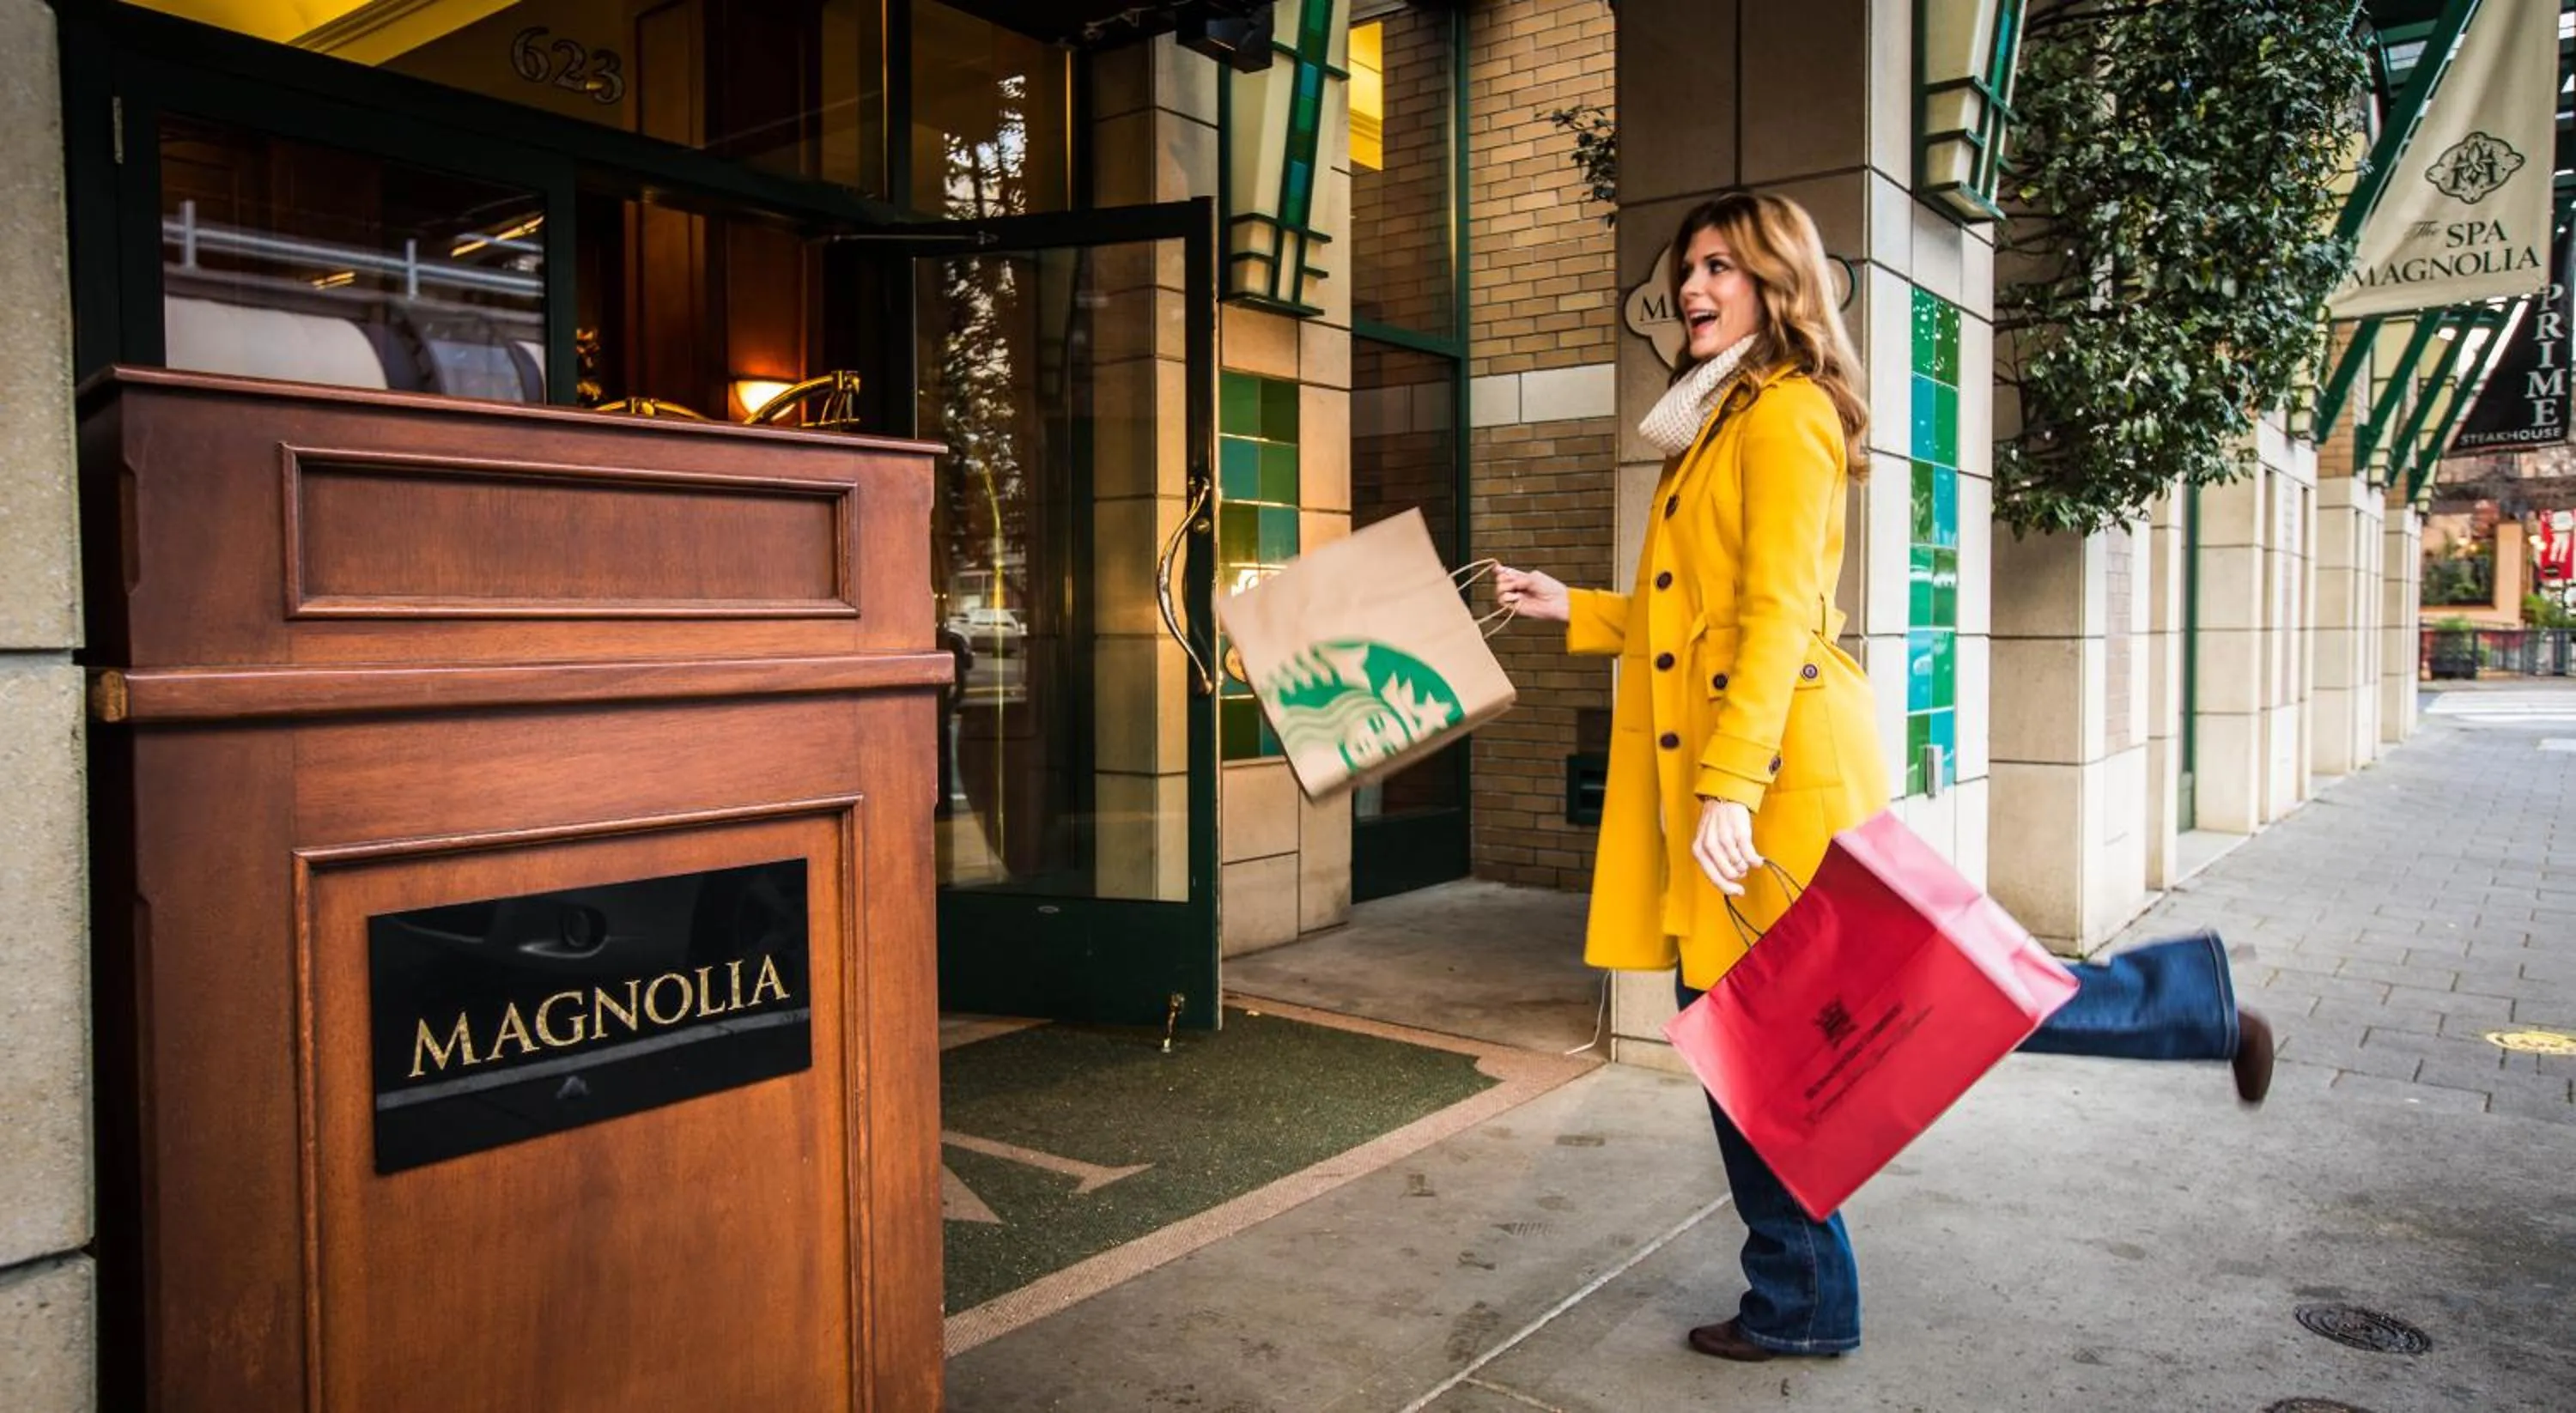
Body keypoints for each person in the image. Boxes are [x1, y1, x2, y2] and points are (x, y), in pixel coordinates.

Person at [1491, 191, 2275, 1364]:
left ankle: (1809, 1290)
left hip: (1769, 769)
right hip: (1755, 762)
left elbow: (1772, 618)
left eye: (1720, 267)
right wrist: (1576, 609)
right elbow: (1688, 612)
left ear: (1777, 282)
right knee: (1792, 1018)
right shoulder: (1722, 415)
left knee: (1869, 999)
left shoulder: (1786, 412)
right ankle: (1806, 1291)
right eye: (1685, 269)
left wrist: (1729, 787)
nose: (1692, 289)